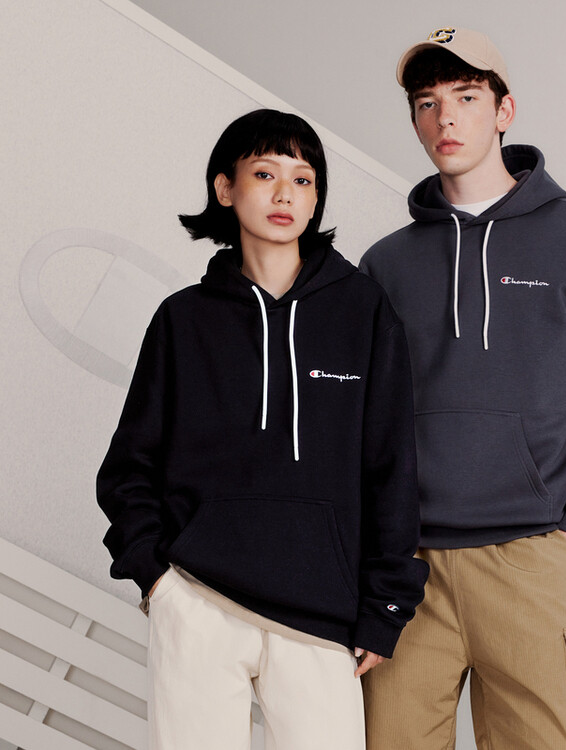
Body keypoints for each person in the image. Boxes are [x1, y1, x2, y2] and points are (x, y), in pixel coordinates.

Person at [96, 108, 428, 750]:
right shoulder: (182, 320)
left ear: (316, 199)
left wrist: (386, 607)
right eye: (265, 173)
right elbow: (128, 467)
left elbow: (392, 469)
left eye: (303, 180)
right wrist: (159, 581)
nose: (285, 194)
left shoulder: (364, 312)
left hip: (321, 618)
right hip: (199, 601)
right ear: (225, 188)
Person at [358, 27, 566, 750]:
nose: (445, 118)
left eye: (465, 97)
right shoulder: (386, 264)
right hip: (408, 572)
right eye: (427, 103)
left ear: (504, 111)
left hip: (530, 559)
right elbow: (363, 421)